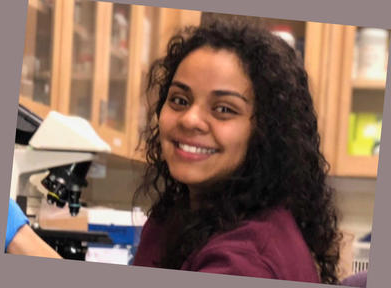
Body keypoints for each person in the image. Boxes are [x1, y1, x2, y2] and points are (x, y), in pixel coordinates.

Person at [131, 18, 341, 285]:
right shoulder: (184, 215)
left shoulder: (243, 261)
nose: (190, 119)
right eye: (179, 100)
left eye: (224, 109)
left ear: (267, 131)